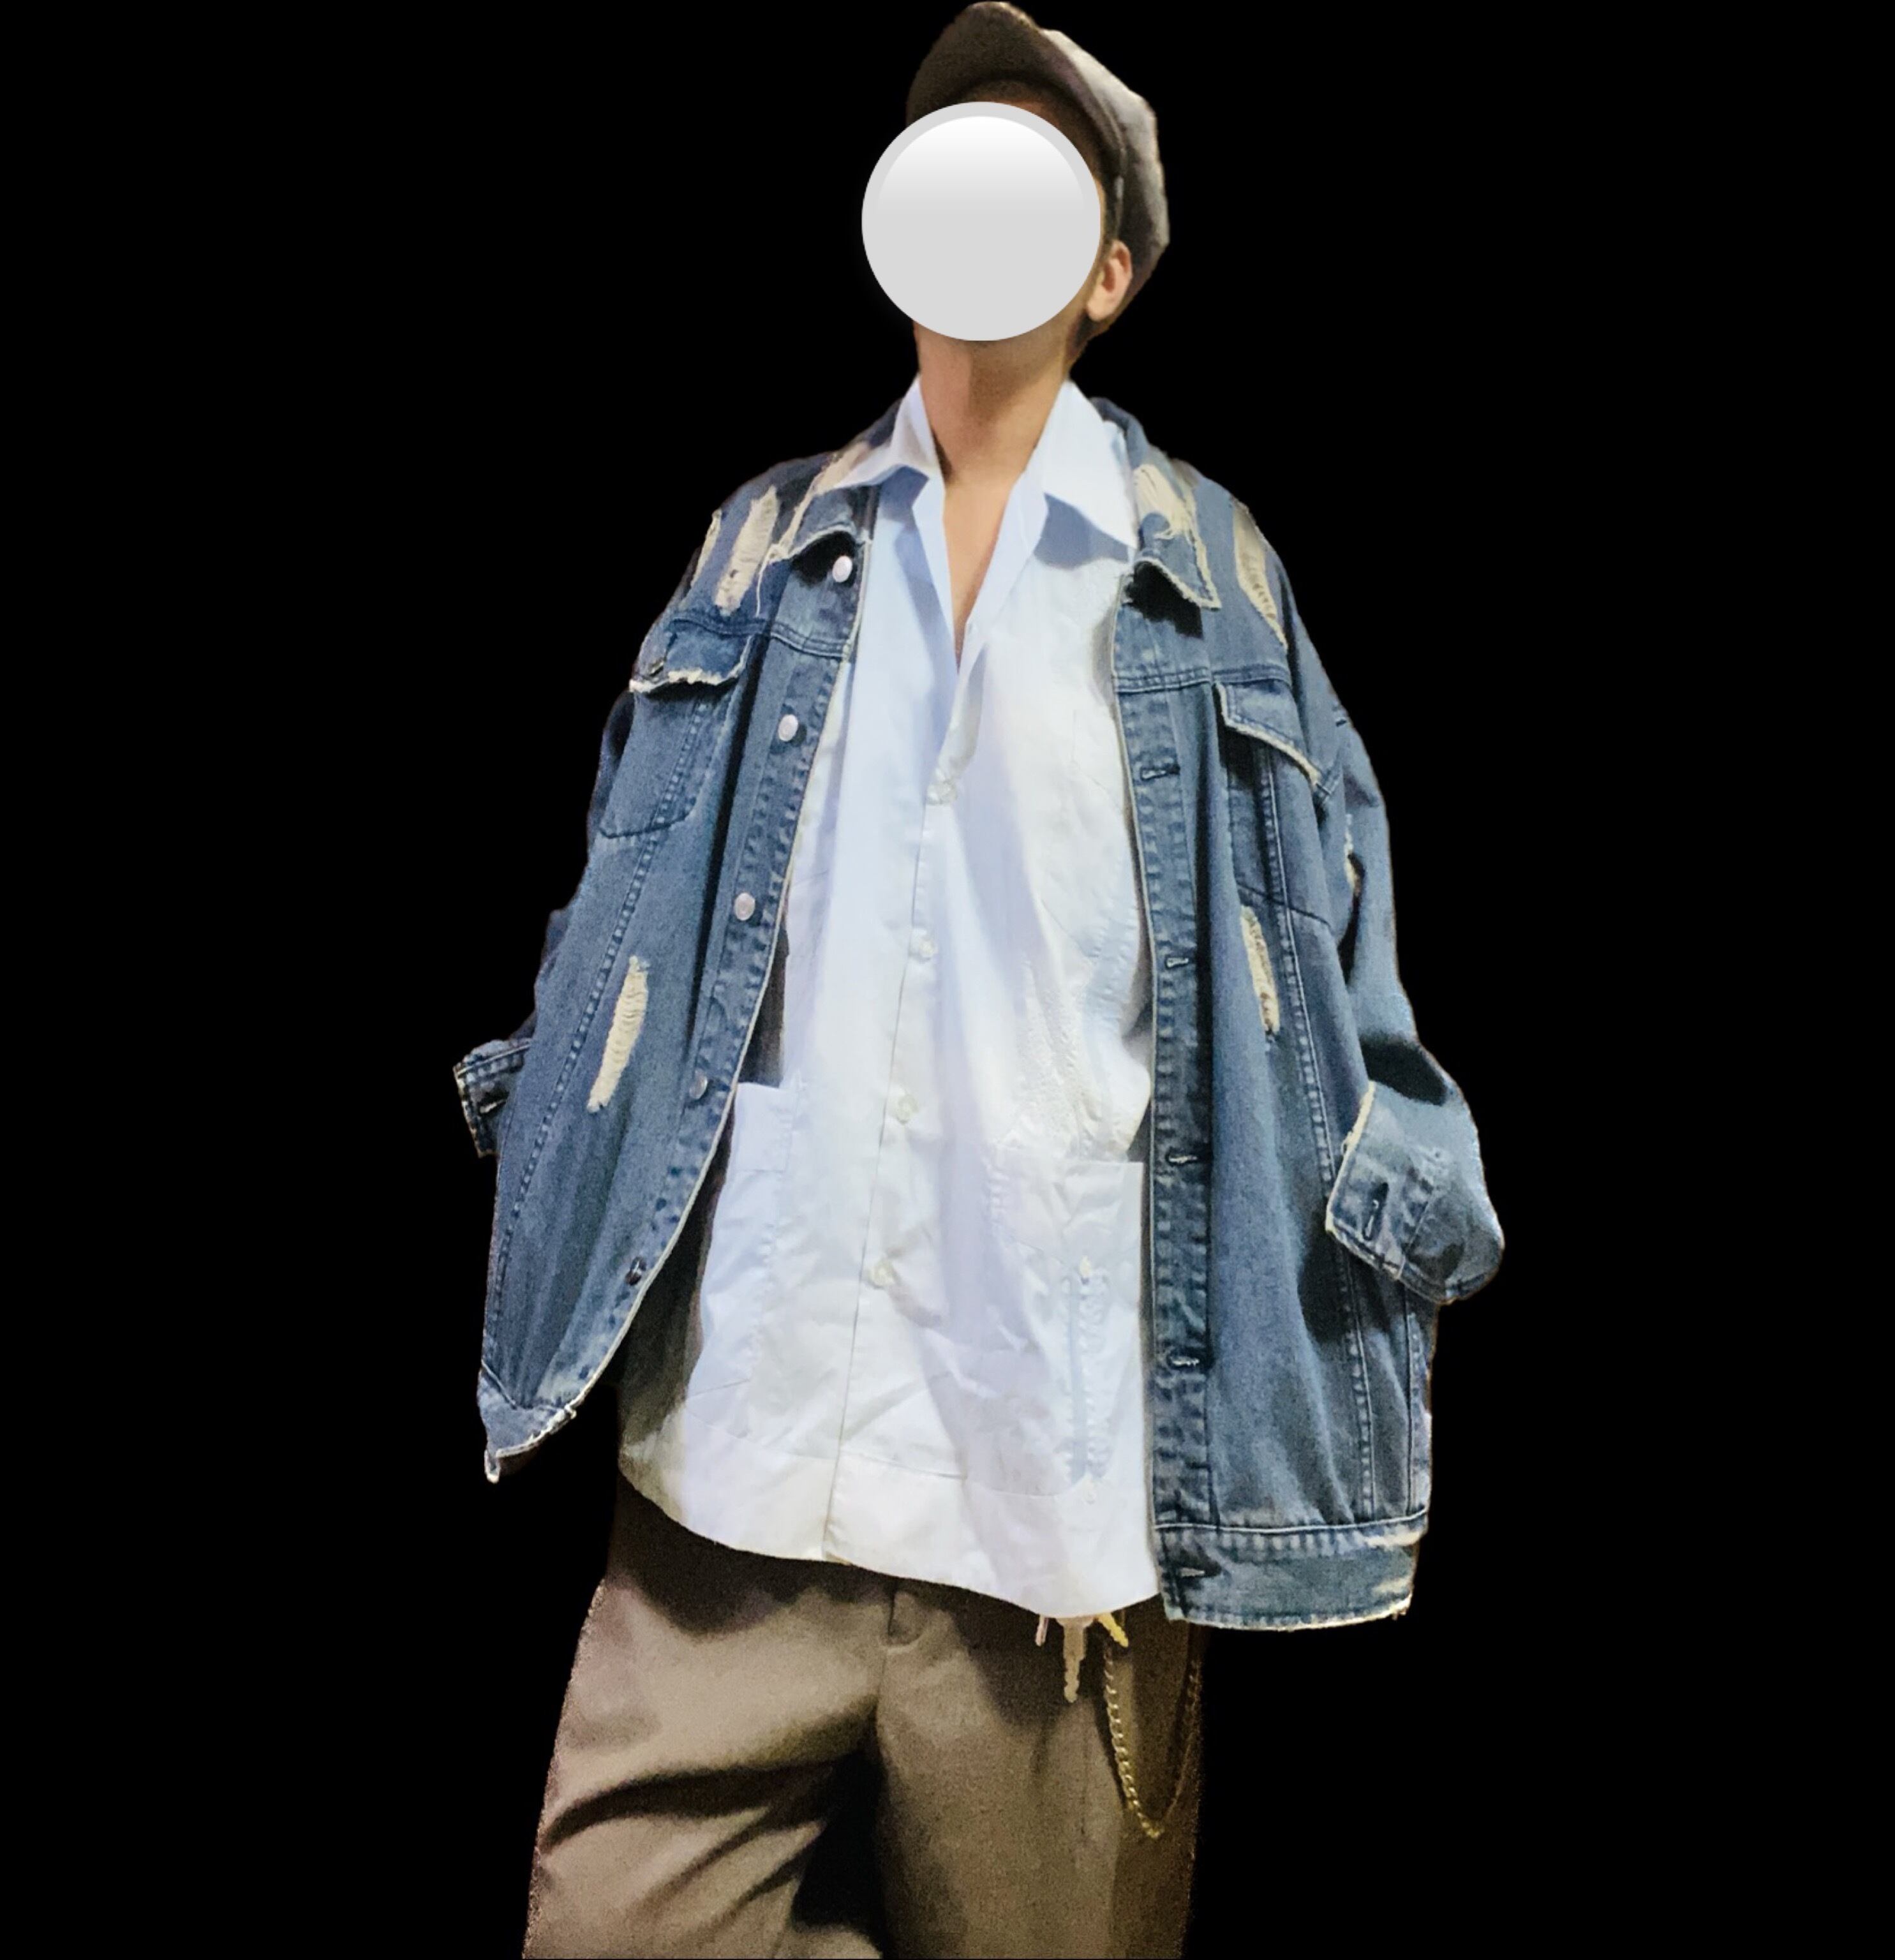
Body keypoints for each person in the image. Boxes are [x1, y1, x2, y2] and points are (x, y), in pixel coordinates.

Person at [450, 6, 1504, 1954]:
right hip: (736, 1467)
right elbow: (621, 907)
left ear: (1109, 271)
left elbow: (1333, 980)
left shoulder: (1212, 577)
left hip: (1058, 1505)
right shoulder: (763, 544)